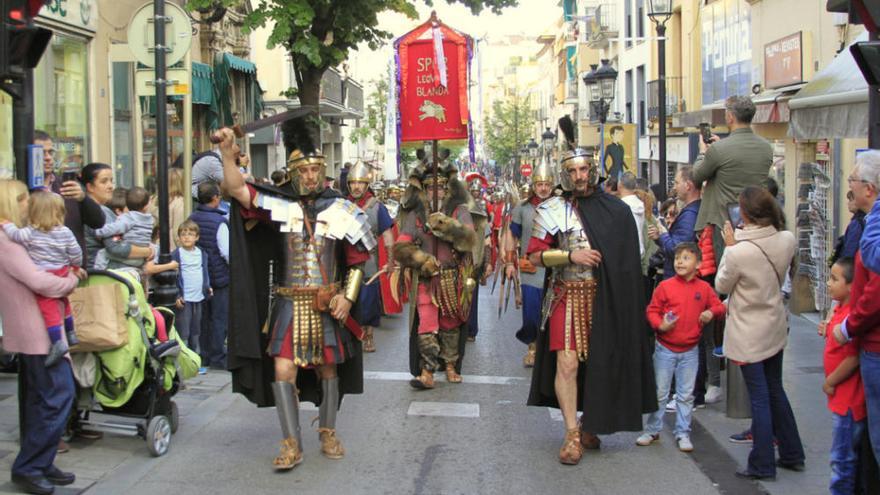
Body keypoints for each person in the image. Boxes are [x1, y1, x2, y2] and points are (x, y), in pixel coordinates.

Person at [218, 118, 375, 470]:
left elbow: (358, 260)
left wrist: (347, 297)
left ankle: (328, 431)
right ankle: (291, 444)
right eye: (304, 170)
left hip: (326, 301)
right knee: (283, 369)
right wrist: (227, 155)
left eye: (316, 168)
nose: (310, 176)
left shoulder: (341, 207)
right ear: (292, 172)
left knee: (329, 371)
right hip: (289, 302)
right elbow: (236, 189)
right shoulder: (277, 203)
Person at [526, 116, 656, 466]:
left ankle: (590, 421)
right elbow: (534, 256)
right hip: (565, 295)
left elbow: (629, 263)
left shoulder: (616, 211)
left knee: (600, 363)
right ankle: (571, 433)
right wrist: (570, 254)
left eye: (585, 170)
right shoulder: (551, 209)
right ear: (564, 174)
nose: (580, 176)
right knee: (566, 363)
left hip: (604, 299)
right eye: (574, 171)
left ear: (593, 171)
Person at [716, 186, 804, 480]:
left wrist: (729, 246)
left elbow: (721, 286)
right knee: (775, 389)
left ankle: (762, 463)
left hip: (748, 330)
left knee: (760, 397)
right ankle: (792, 452)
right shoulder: (787, 239)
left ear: (744, 214)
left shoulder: (738, 251)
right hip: (774, 323)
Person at [0, 179, 80, 495]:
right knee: (58, 395)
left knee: (43, 398)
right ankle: (30, 467)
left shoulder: (23, 237)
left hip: (38, 330)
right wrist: (70, 280)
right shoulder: (7, 242)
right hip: (36, 333)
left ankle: (40, 462)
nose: (28, 204)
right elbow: (41, 282)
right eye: (22, 199)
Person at [393, 150, 479, 389]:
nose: (435, 192)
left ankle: (450, 365)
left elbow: (469, 239)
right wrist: (421, 259)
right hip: (426, 278)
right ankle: (427, 370)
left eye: (440, 187)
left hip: (452, 277)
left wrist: (446, 225)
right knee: (427, 323)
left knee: (451, 324)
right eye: (430, 188)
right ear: (424, 190)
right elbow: (401, 245)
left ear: (447, 189)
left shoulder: (459, 210)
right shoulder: (415, 215)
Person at [638, 242, 725, 452]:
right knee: (660, 391)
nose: (679, 261)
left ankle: (683, 432)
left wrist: (710, 313)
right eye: (677, 257)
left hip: (690, 350)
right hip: (665, 348)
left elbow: (719, 306)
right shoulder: (665, 286)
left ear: (699, 264)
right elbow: (652, 310)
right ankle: (652, 429)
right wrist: (660, 324)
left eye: (686, 258)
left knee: (686, 394)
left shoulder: (703, 288)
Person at [833, 150, 880, 472]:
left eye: (852, 181)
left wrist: (849, 326)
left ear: (870, 188)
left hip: (873, 340)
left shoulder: (872, 229)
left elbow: (873, 283)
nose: (849, 187)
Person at [1, 191, 82, 367]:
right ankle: (70, 332)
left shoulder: (30, 232)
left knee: (49, 309)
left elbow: (16, 234)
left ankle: (57, 342)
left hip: (47, 272)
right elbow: (76, 252)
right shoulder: (65, 231)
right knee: (64, 303)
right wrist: (75, 269)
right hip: (61, 271)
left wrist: (6, 225)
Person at [693, 95, 773, 265]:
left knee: (726, 273)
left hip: (725, 225)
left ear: (730, 116)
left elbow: (697, 176)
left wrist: (702, 153)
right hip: (755, 222)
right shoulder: (766, 147)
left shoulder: (718, 150)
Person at [821, 257, 865, 494]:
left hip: (848, 400)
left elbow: (853, 357)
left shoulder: (852, 317)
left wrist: (830, 381)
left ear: (851, 286)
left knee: (842, 460)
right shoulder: (839, 309)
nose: (828, 283)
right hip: (841, 400)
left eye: (834, 279)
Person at [504, 164, 553, 367]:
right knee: (531, 312)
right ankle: (532, 348)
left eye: (546, 184)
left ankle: (549, 351)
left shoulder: (561, 206)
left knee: (551, 312)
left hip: (554, 268)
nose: (543, 188)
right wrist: (508, 263)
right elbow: (511, 236)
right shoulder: (522, 208)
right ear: (533, 185)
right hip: (531, 270)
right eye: (539, 184)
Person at [34, 131, 106, 267]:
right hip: (39, 271)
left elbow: (98, 222)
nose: (48, 158)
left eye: (50, 152)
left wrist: (83, 199)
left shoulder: (67, 186)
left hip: (73, 271)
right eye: (41, 154)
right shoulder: (24, 190)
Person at [345, 162, 395, 353]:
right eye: (353, 183)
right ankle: (352, 334)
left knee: (368, 300)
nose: (356, 187)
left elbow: (388, 235)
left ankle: (369, 335)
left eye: (360, 183)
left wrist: (390, 262)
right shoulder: (343, 205)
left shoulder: (376, 207)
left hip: (368, 261)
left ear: (367, 185)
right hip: (347, 260)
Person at [81, 163, 153, 270]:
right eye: (104, 181)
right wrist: (149, 251)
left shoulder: (89, 208)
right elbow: (116, 247)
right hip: (104, 274)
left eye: (111, 181)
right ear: (90, 187)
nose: (110, 186)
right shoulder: (100, 211)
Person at [190, 181, 230, 370]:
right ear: (215, 198)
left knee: (204, 318)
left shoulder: (192, 217)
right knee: (219, 317)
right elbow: (226, 251)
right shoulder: (219, 222)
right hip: (218, 274)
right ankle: (217, 356)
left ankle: (204, 354)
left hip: (199, 273)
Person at [171, 220, 211, 373]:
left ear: (197, 237)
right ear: (179, 238)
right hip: (185, 298)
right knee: (184, 331)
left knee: (197, 330)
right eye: (183, 234)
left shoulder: (202, 253)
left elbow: (204, 272)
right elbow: (174, 277)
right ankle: (184, 363)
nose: (187, 237)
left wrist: (208, 287)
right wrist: (177, 295)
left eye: (190, 234)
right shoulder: (177, 254)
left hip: (198, 296)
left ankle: (196, 361)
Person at [91, 187, 154, 271]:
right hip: (141, 258)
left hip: (129, 257)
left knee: (102, 253)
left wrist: (100, 232)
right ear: (146, 207)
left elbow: (115, 228)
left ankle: (99, 272)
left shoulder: (129, 218)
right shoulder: (149, 219)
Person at [618, 172, 645, 257]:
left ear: (620, 185)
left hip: (625, 253)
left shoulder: (619, 206)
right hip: (639, 250)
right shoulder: (640, 204)